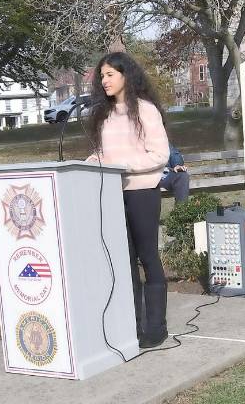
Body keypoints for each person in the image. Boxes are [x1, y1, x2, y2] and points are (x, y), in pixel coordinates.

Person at [87, 52, 170, 348]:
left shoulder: (146, 110)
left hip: (142, 192)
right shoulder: (103, 114)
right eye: (102, 75)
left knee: (148, 256)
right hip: (113, 193)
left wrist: (123, 165)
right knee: (124, 262)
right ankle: (131, 324)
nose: (104, 80)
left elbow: (160, 155)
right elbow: (103, 154)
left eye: (110, 74)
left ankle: (156, 327)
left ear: (126, 75)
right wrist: (89, 163)